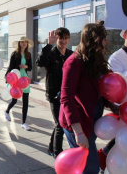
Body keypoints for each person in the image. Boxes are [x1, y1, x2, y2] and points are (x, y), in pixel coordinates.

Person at [59, 23, 110, 174]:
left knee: (84, 164)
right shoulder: (73, 62)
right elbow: (66, 97)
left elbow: (101, 87)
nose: (106, 41)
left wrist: (112, 106)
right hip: (77, 122)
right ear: (94, 40)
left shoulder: (95, 58)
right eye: (103, 38)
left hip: (92, 118)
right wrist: (79, 133)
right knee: (90, 167)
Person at [97, 29, 127, 172]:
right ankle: (107, 156)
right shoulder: (116, 57)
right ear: (124, 35)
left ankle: (106, 153)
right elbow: (116, 82)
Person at [36, 28, 73, 158]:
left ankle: (52, 147)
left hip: (68, 94)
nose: (63, 41)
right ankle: (57, 154)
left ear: (68, 39)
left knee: (60, 124)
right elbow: (40, 62)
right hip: (54, 94)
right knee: (60, 124)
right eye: (60, 38)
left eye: (65, 38)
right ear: (56, 38)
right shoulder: (51, 53)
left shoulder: (70, 54)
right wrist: (48, 45)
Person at [4, 36, 33, 131]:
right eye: (22, 42)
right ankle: (7, 111)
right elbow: (10, 66)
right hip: (16, 79)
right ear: (19, 43)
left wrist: (26, 66)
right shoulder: (15, 54)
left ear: (27, 44)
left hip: (24, 80)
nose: (24, 44)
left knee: (25, 101)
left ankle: (24, 122)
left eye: (25, 42)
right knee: (14, 100)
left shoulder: (28, 54)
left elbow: (30, 67)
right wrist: (7, 77)